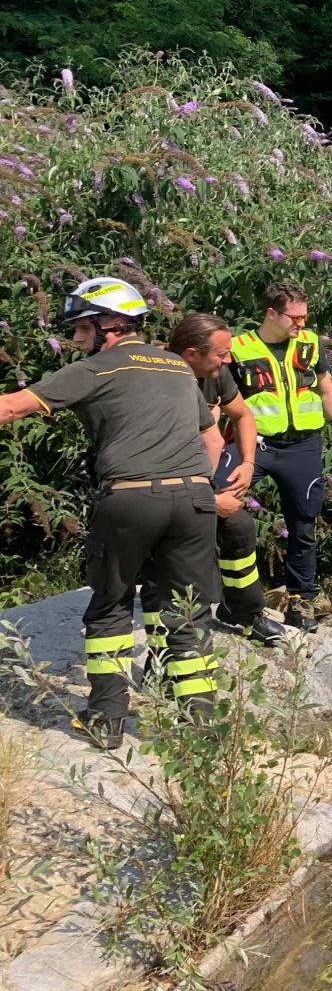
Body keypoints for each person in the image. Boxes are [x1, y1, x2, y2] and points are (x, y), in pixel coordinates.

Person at [0, 277, 222, 749]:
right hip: (196, 500)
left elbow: (12, 407)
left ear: (111, 324)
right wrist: (190, 482)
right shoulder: (178, 368)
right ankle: (201, 729)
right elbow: (214, 439)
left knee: (110, 607)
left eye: (82, 328)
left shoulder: (98, 368)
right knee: (189, 615)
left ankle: (106, 719)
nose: (76, 339)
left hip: (130, 500)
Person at [139, 313, 289, 648]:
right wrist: (205, 500)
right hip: (158, 485)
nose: (229, 360)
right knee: (161, 550)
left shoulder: (214, 374)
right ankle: (160, 650)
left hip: (199, 477)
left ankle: (243, 611)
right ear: (191, 353)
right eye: (221, 354)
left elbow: (243, 414)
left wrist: (249, 463)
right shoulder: (153, 378)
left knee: (238, 528)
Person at [230, 282, 332, 630]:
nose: (301, 324)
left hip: (303, 445)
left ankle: (301, 601)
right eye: (295, 317)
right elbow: (219, 401)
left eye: (305, 316)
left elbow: (326, 389)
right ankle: (233, 598)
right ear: (271, 313)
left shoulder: (310, 344)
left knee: (303, 524)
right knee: (222, 508)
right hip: (254, 445)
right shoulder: (238, 348)